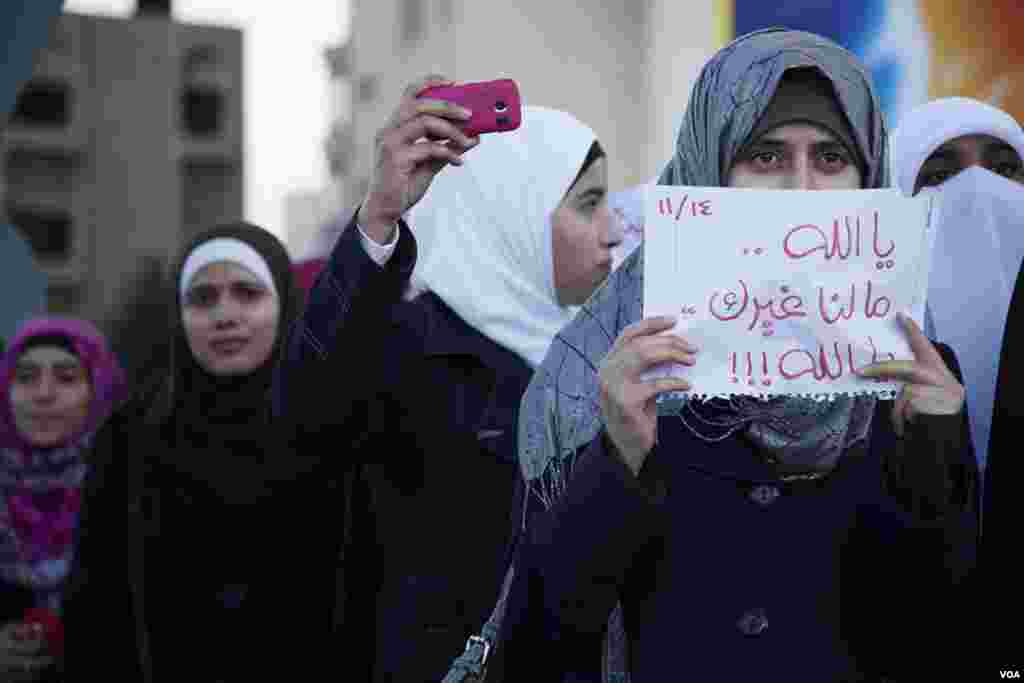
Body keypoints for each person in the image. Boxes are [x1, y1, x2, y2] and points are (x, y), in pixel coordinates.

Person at [502, 29, 980, 682]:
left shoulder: (916, 377)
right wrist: (616, 459)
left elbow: (951, 636)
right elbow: (536, 645)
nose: (801, 189)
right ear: (711, 167)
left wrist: (932, 449)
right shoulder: (618, 368)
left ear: (869, 175)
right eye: (765, 155)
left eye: (831, 157)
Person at [272, 77, 620, 681]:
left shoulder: (603, 363)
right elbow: (305, 415)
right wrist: (379, 216)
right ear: (516, 212)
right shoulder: (414, 352)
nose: (611, 229)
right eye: (588, 203)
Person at [62, 222, 319, 682]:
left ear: (283, 304)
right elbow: (94, 605)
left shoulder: (325, 430)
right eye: (202, 298)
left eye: (247, 293)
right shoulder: (129, 436)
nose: (225, 315)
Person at [0, 317, 126, 682]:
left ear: (99, 389)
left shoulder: (131, 486)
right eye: (25, 377)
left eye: (67, 378)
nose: (43, 394)